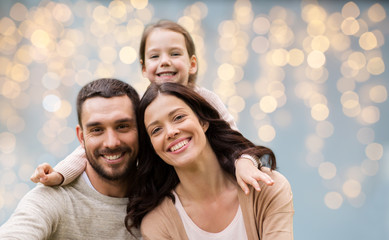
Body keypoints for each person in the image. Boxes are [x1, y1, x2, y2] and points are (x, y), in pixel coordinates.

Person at [31, 19, 273, 193]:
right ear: (144, 68)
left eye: (175, 54)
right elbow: (89, 148)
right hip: (166, 190)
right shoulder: (144, 107)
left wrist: (246, 163)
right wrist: (61, 174)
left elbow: (236, 142)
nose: (165, 62)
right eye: (155, 56)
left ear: (192, 64)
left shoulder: (206, 100)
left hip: (211, 187)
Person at [125, 82, 294, 240]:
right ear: (153, 147)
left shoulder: (266, 188)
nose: (170, 132)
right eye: (156, 130)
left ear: (203, 122)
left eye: (178, 117)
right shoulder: (158, 224)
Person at [0, 78, 141, 239]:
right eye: (97, 130)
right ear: (81, 137)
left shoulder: (160, 195)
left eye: (122, 126)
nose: (111, 142)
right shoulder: (53, 199)